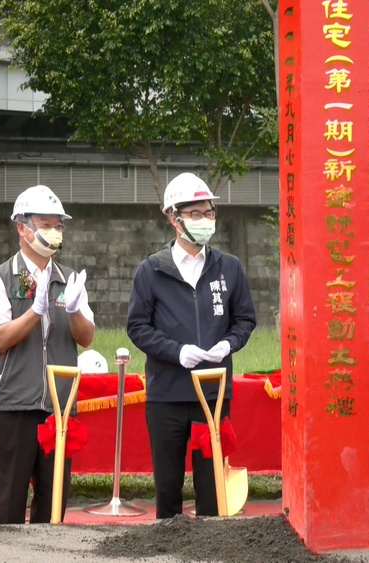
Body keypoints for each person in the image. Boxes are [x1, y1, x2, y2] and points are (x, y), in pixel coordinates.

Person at [126, 172, 256, 519]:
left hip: (212, 396)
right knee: (167, 487)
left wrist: (228, 345)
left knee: (212, 488)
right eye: (195, 214)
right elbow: (137, 327)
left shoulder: (229, 268)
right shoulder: (151, 271)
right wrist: (176, 351)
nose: (205, 221)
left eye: (209, 213)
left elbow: (245, 320)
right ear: (174, 218)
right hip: (166, 395)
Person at [0, 185, 95, 525]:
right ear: (22, 228)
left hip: (59, 407)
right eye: (45, 224)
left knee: (53, 504)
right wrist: (34, 312)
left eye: (58, 225)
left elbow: (86, 337)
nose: (54, 232)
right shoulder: (0, 278)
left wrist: (73, 310)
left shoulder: (68, 279)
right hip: (14, 404)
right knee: (7, 504)